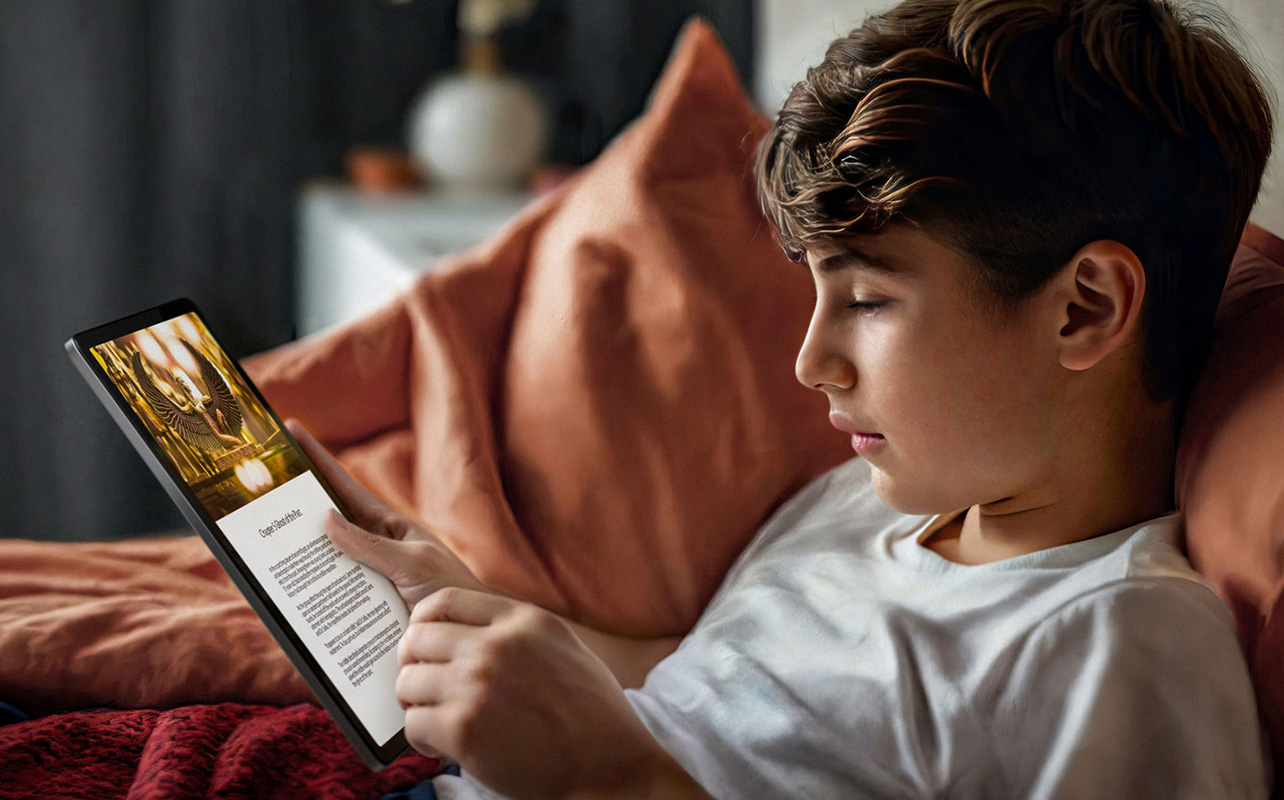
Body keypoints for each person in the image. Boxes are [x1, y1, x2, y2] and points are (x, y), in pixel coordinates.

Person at [288, 0, 1276, 796]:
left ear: (1085, 308)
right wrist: (472, 610)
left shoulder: (1124, 650)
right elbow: (694, 683)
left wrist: (610, 779)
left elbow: (631, 757)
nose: (811, 362)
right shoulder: (877, 492)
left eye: (870, 300)